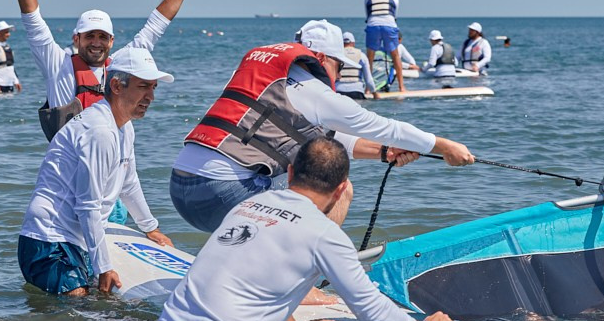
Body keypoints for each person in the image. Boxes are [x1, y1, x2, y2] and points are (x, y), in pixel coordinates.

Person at [146, 137, 461, 321]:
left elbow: (259, 288)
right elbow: (371, 309)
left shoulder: (249, 205)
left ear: (291, 173)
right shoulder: (324, 234)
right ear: (340, 191)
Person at [171, 18, 474, 234]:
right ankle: (303, 282)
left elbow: (327, 142)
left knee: (312, 165)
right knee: (337, 189)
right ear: (321, 58)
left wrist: (385, 153)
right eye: (339, 65)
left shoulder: (268, 78)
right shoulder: (315, 92)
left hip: (181, 190)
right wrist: (444, 145)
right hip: (219, 197)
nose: (339, 74)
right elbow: (382, 126)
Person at [0, 0, 212, 141]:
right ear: (76, 39)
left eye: (102, 37)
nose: (96, 42)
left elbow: (156, 25)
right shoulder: (57, 65)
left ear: (111, 42)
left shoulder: (122, 64)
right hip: (69, 165)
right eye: (89, 35)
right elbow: (32, 19)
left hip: (110, 161)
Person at [18, 46, 176, 296]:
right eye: (143, 86)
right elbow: (88, 206)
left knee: (98, 306)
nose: (151, 97)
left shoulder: (124, 127)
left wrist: (151, 228)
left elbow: (128, 183)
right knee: (78, 306)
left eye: (153, 87)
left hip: (74, 239)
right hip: (47, 240)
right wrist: (104, 268)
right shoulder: (99, 131)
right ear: (116, 86)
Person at [363, 0, 406, 93]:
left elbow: (368, 15)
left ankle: (368, 89)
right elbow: (394, 15)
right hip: (389, 25)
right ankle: (401, 87)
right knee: (395, 55)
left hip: (373, 25)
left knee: (370, 58)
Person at [334, 31, 376, 100]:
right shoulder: (361, 56)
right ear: (353, 43)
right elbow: (368, 79)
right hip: (357, 91)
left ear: (341, 43)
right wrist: (374, 93)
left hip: (339, 91)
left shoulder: (336, 56)